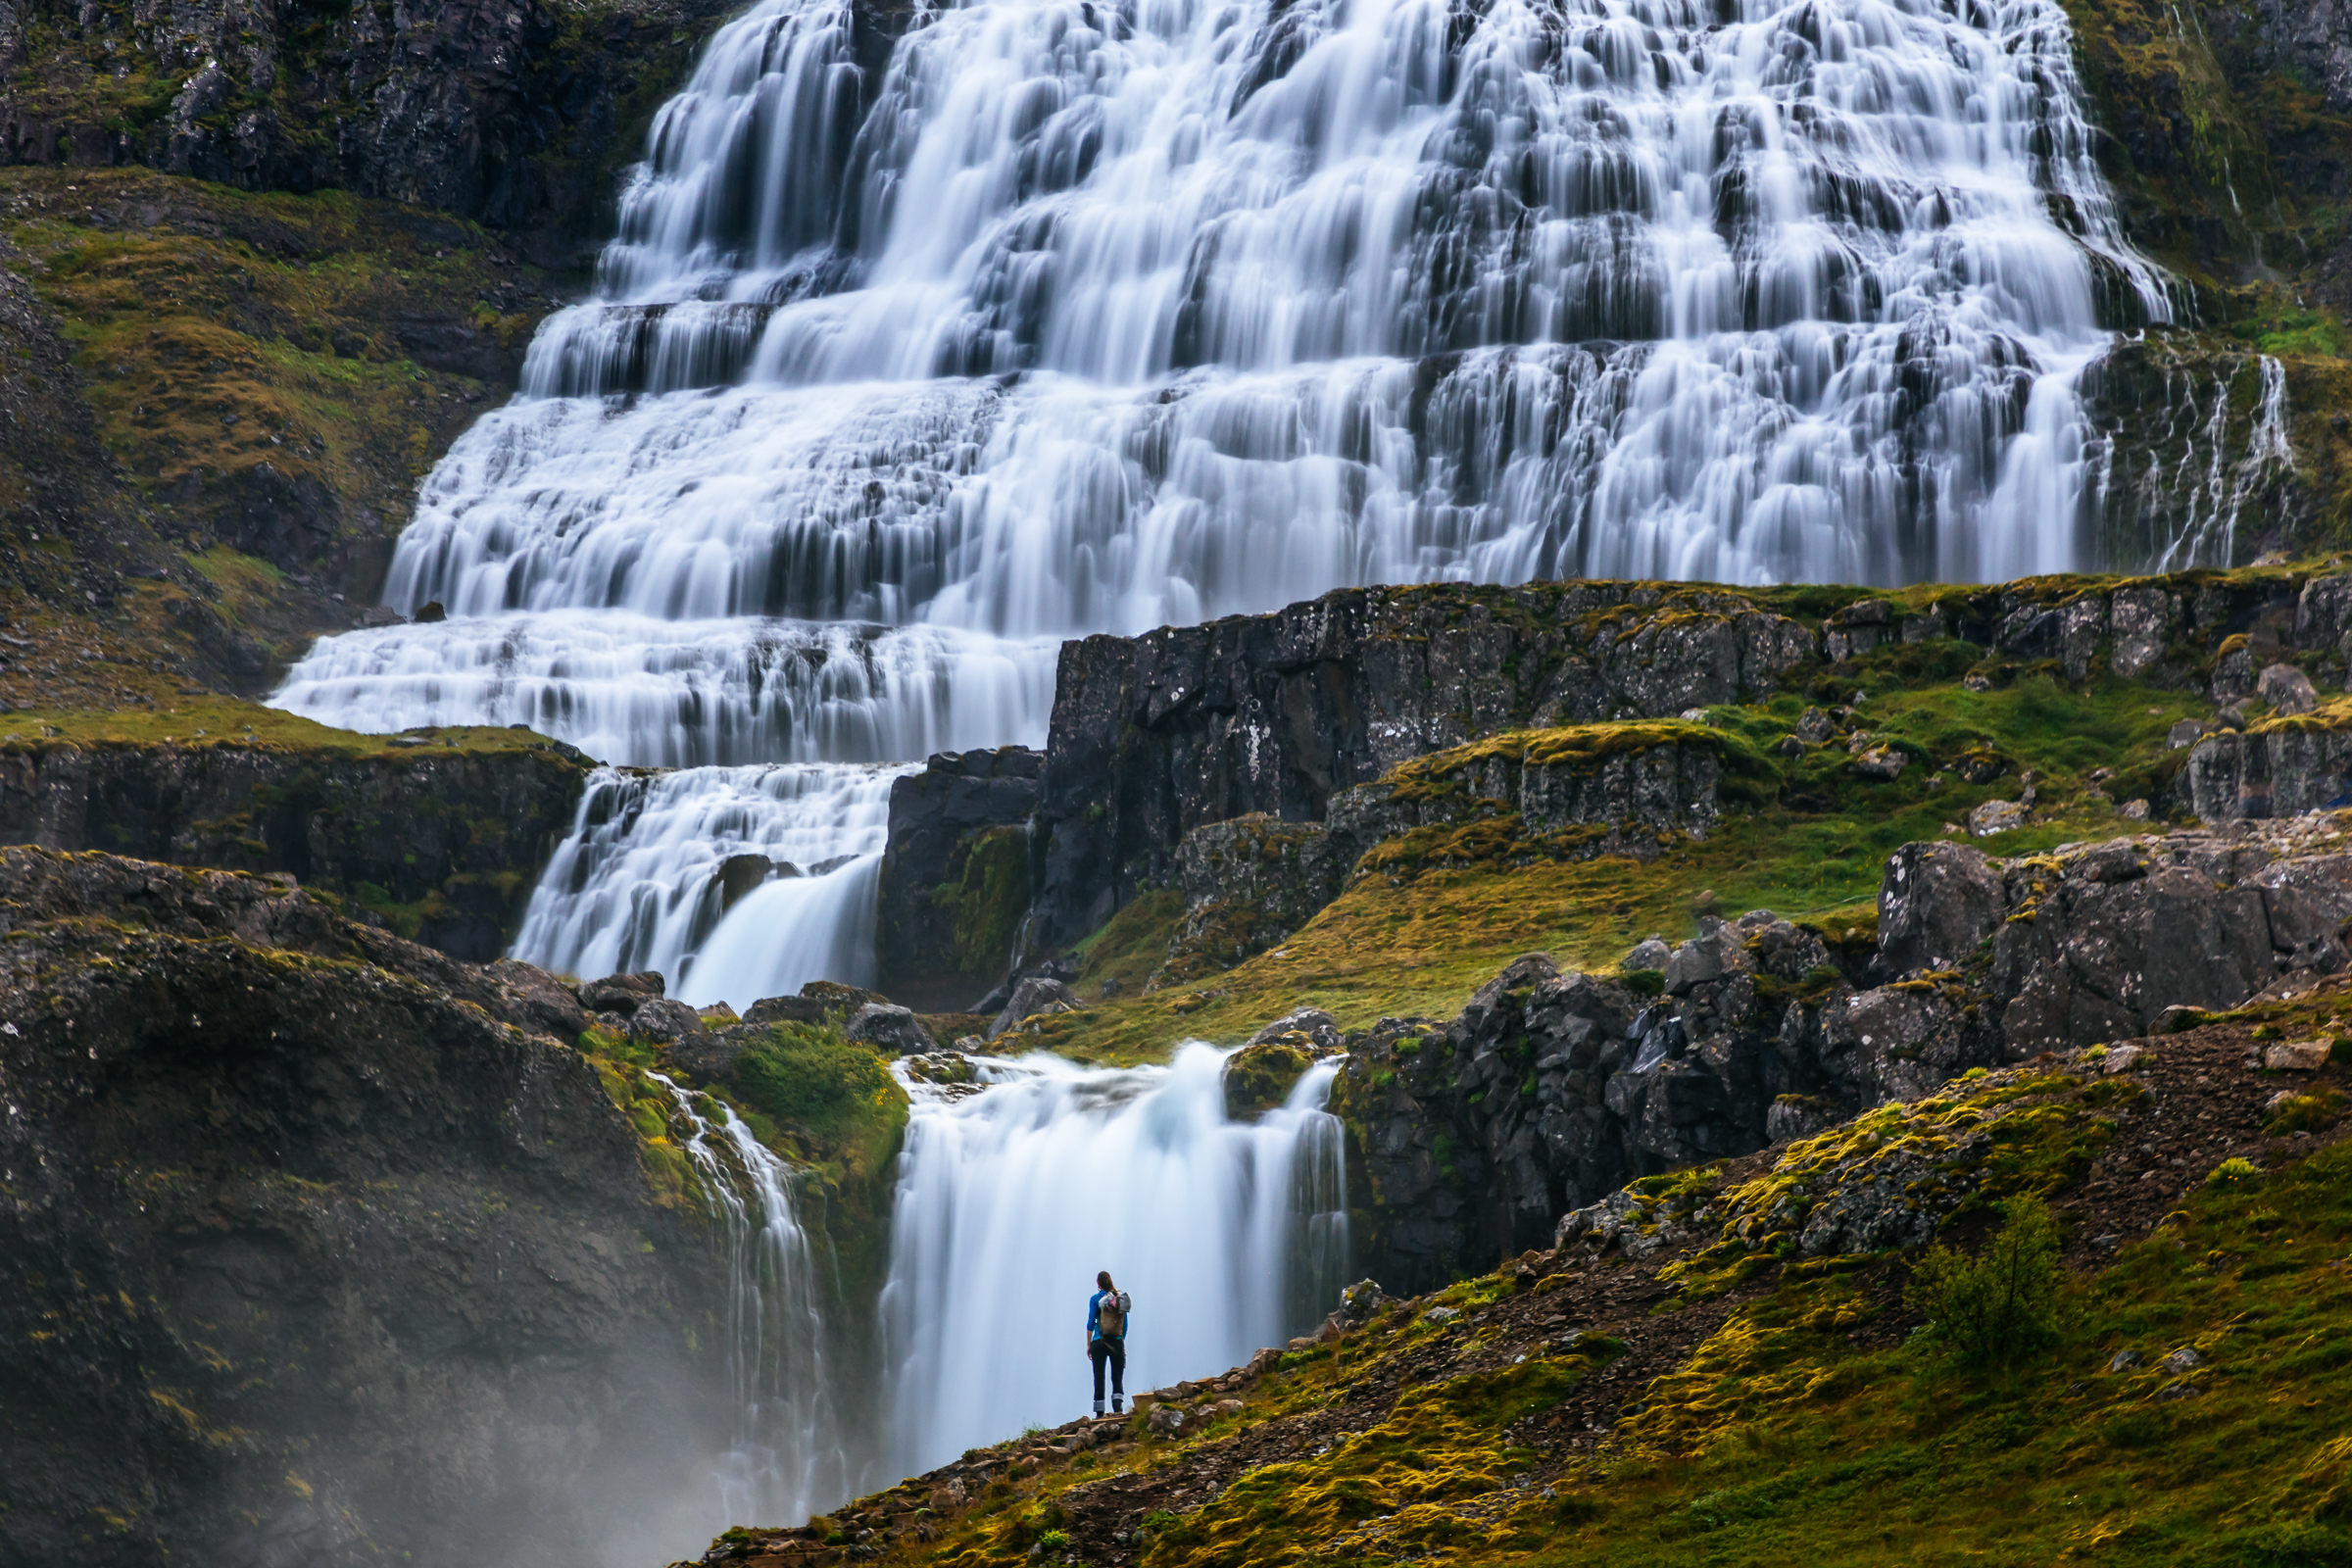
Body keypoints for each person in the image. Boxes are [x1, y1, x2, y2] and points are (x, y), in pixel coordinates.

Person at [1086, 1269, 1128, 1417]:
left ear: (1098, 1283)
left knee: (1099, 1375)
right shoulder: (1119, 1299)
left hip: (1099, 1341)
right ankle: (1118, 1408)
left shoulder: (1095, 1299)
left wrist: (1089, 1344)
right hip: (1116, 1341)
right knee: (1117, 1375)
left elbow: (1091, 1322)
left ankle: (1099, 1411)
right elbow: (1125, 1325)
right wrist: (1120, 1342)